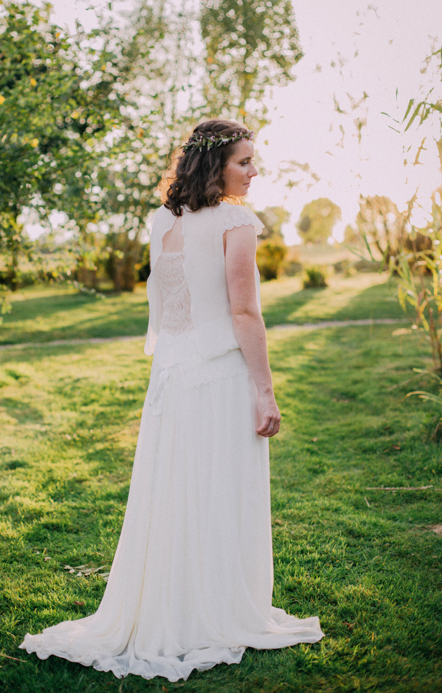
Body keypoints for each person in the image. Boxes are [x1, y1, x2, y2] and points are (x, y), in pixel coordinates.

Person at [20, 119, 324, 681]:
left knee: (176, 491)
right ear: (216, 166)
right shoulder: (236, 220)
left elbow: (165, 307)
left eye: (254, 161)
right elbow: (243, 312)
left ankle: (174, 607)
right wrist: (264, 389)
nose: (255, 172)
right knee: (220, 489)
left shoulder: (164, 219)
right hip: (218, 374)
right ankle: (219, 610)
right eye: (244, 162)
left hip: (172, 377)